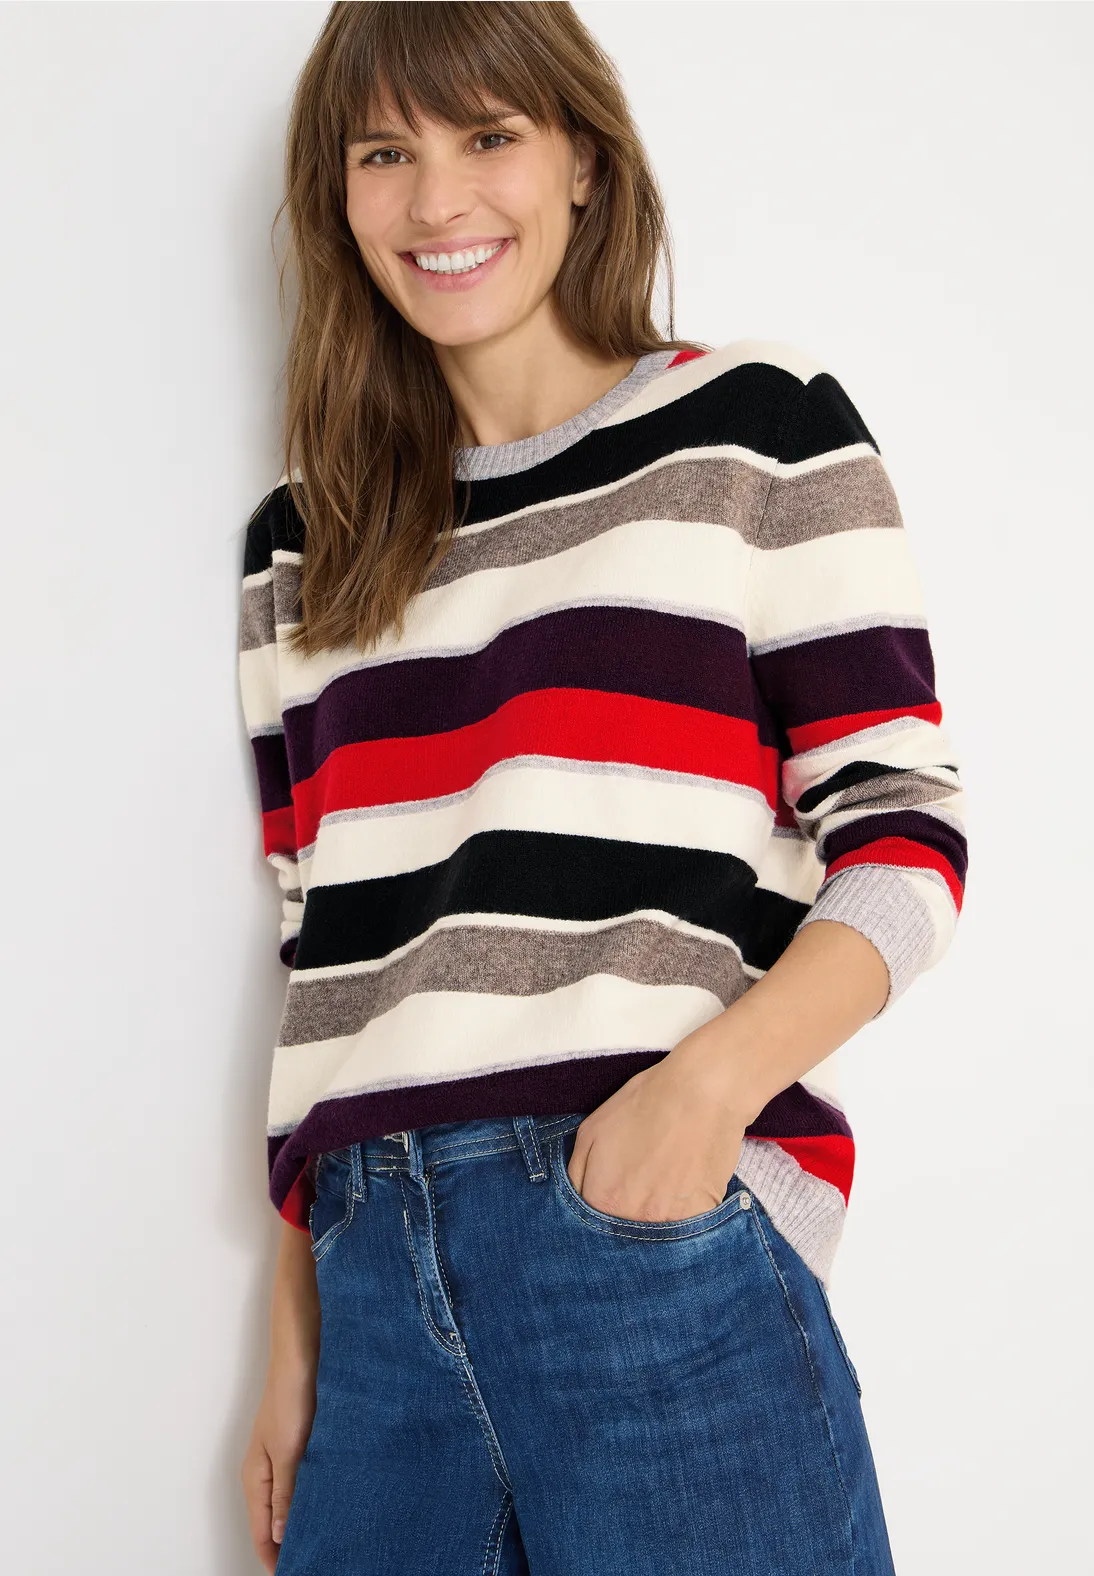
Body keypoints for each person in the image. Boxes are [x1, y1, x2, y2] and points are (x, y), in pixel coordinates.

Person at [237, 4, 967, 1573]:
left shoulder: (752, 431)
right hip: (372, 1287)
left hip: (642, 1234)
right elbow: (322, 948)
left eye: (487, 136)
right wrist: (297, 1335)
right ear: (336, 194)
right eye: (384, 154)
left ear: (581, 157)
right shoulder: (303, 542)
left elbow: (905, 836)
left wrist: (698, 1102)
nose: (437, 200)